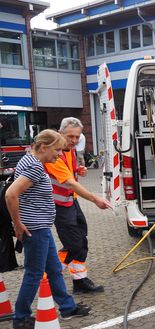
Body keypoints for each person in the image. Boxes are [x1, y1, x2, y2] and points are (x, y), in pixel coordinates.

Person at [5, 130, 91, 329]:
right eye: (57, 149)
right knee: (34, 273)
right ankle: (21, 317)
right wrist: (17, 224)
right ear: (43, 147)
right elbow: (11, 195)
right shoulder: (34, 167)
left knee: (53, 269)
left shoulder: (30, 160)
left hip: (41, 227)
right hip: (34, 229)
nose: (60, 154)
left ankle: (68, 307)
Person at [44, 117, 111, 294]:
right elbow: (70, 183)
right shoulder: (54, 155)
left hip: (70, 201)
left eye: (77, 137)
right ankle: (47, 279)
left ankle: (80, 281)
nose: (73, 140)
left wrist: (78, 170)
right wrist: (95, 199)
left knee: (82, 241)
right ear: (60, 133)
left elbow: (70, 176)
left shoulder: (70, 150)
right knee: (73, 245)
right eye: (70, 136)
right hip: (58, 206)